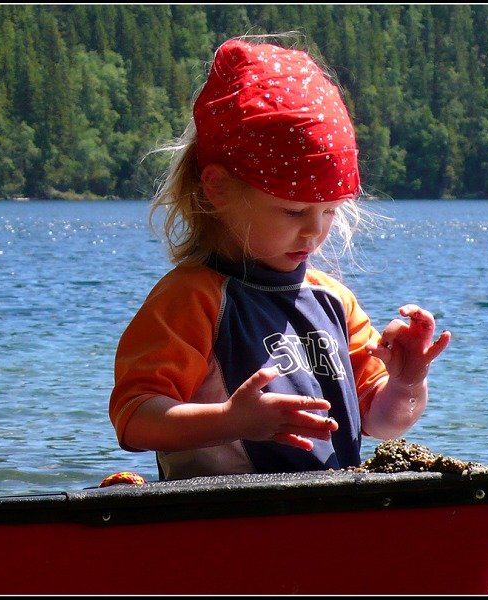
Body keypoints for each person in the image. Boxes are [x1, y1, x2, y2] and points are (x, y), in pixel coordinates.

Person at [109, 36, 450, 480]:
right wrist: (231, 421)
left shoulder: (333, 300)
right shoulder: (192, 298)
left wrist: (407, 382)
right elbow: (134, 420)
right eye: (293, 210)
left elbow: (380, 422)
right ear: (218, 188)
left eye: (329, 211)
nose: (314, 229)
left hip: (322, 518)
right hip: (222, 523)